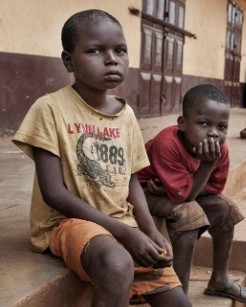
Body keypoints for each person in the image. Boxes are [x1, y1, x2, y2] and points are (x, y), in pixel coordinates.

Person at [11, 10, 190, 306]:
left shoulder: (126, 114)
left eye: (120, 50)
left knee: (178, 301)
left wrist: (148, 229)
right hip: (67, 222)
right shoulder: (50, 109)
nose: (111, 59)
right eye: (95, 50)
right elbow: (53, 192)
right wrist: (124, 233)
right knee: (117, 263)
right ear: (69, 60)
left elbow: (131, 178)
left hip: (122, 220)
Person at [137, 84, 246, 304]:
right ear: (183, 124)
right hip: (145, 192)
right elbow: (185, 198)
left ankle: (219, 279)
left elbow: (214, 189)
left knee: (225, 208)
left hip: (172, 191)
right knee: (190, 215)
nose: (213, 132)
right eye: (203, 123)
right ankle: (179, 297)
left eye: (221, 127)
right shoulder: (168, 143)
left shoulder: (220, 149)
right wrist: (205, 167)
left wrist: (176, 188)